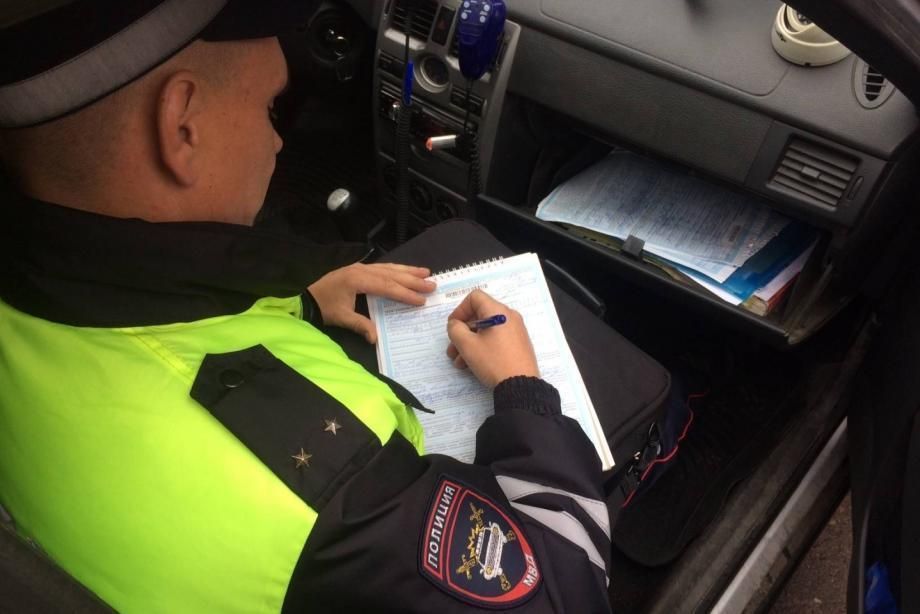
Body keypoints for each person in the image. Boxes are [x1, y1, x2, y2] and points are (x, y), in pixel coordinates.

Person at [0, 2, 622, 612]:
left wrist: (298, 300)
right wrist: (524, 394)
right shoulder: (326, 491)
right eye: (270, 107)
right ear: (182, 127)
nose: (277, 139)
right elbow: (566, 593)